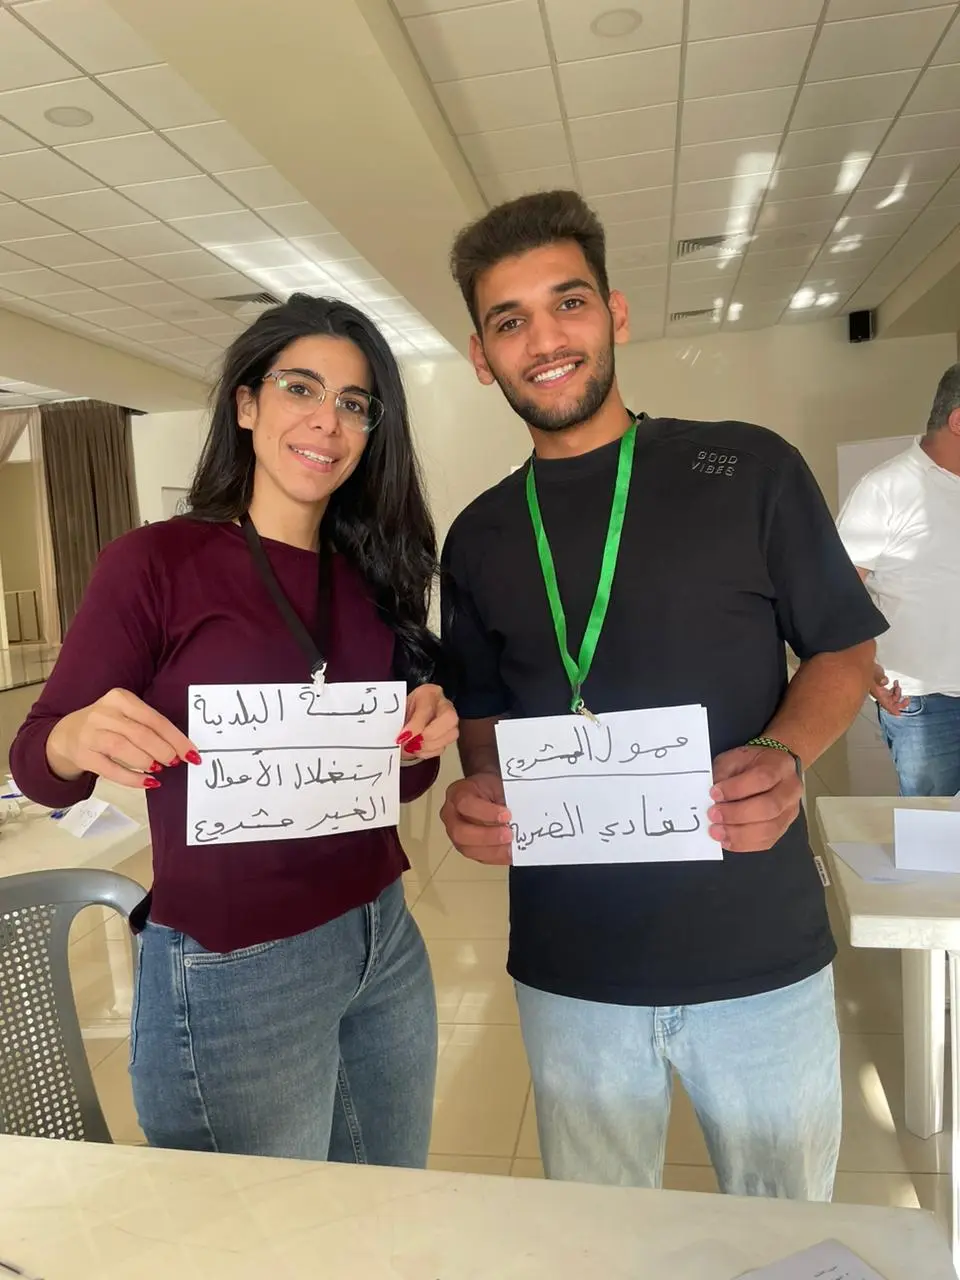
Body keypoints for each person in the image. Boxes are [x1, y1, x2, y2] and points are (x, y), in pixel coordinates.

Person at [438, 190, 886, 1199]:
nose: (544, 340)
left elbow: (843, 646)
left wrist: (783, 751)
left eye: (569, 303)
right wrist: (481, 791)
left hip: (759, 950)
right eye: (509, 321)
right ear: (481, 355)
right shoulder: (479, 535)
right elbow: (482, 715)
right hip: (572, 969)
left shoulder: (748, 469)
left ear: (616, 314)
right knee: (600, 1243)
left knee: (782, 1236)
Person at [11, 293, 457, 1165]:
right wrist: (74, 738)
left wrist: (420, 734)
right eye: (300, 388)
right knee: (268, 1228)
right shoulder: (155, 562)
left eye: (355, 403)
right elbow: (36, 759)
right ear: (247, 405)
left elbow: (394, 783)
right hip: (235, 964)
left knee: (394, 1203)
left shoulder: (372, 576)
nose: (327, 421)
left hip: (382, 936)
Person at [837, 362, 960, 798]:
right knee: (936, 830)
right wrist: (864, 666)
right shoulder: (886, 490)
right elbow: (838, 594)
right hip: (927, 706)